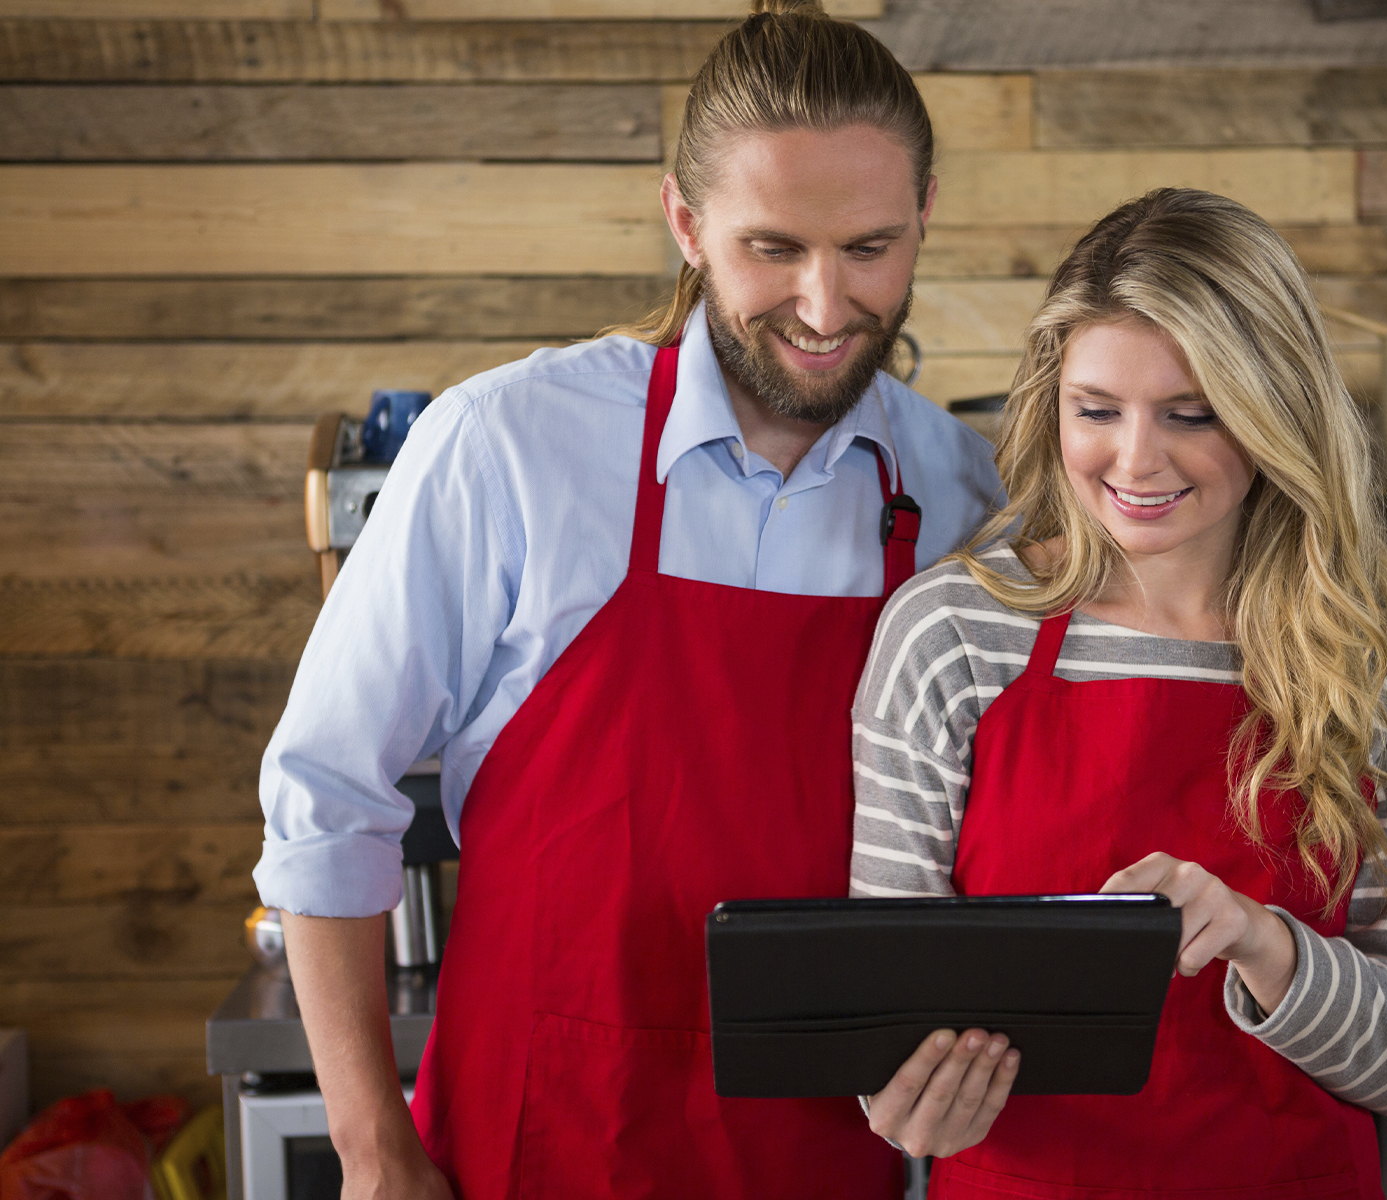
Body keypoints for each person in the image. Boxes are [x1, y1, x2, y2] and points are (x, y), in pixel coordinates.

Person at [251, 4, 1002, 1198]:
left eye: (869, 249)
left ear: (924, 222)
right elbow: (325, 799)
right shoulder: (508, 444)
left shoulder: (961, 488)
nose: (822, 305)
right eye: (773, 248)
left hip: (816, 1156)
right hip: (536, 1134)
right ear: (686, 223)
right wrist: (373, 1151)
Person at [849, 188, 1387, 1199]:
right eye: (1096, 411)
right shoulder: (955, 635)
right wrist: (897, 1097)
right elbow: (882, 1019)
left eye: (1191, 415)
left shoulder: (1372, 663)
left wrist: (1259, 939)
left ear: (1277, 412)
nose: (1135, 460)